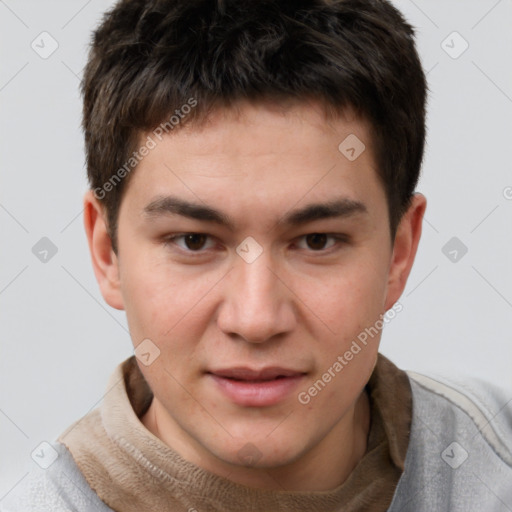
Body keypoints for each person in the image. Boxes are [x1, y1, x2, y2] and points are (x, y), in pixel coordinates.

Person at [2, 0, 511, 511]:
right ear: (106, 252)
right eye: (194, 241)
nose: (257, 319)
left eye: (317, 241)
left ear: (400, 251)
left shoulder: (494, 456)